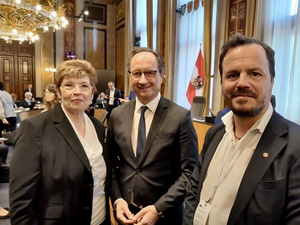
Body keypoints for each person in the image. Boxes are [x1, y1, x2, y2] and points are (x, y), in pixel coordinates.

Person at [183, 33, 300, 225]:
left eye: (255, 74)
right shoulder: (215, 133)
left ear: (272, 81)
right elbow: (193, 192)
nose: (242, 83)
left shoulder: (295, 148)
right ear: (222, 83)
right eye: (232, 75)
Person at [10, 59, 111, 225]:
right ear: (59, 91)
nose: (77, 92)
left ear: (92, 93)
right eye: (69, 85)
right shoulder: (34, 128)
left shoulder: (97, 126)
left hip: (100, 220)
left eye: (84, 86)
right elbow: (21, 201)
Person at [107, 47, 198, 225]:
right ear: (129, 76)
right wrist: (117, 199)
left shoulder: (180, 117)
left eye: (150, 73)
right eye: (136, 73)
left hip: (165, 216)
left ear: (161, 76)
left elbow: (190, 172)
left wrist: (159, 209)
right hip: (126, 215)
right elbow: (109, 165)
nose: (142, 80)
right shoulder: (117, 115)